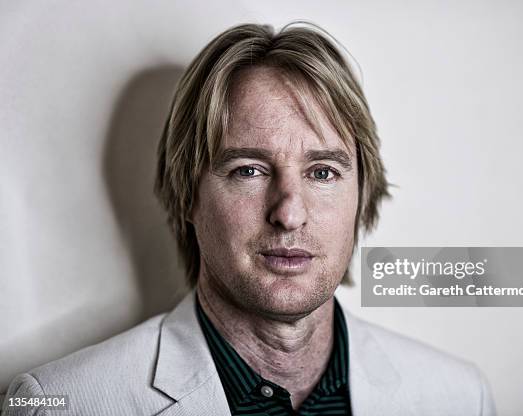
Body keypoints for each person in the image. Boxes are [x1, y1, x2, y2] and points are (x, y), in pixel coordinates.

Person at [3, 23, 496, 415]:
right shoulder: (59, 404)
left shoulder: (458, 397)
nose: (288, 212)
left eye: (322, 172)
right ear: (188, 195)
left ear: (361, 195)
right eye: (249, 170)